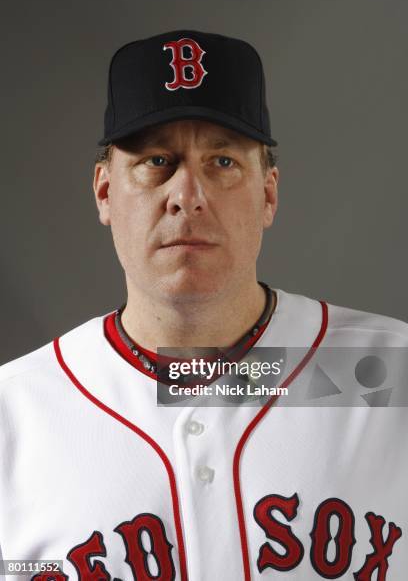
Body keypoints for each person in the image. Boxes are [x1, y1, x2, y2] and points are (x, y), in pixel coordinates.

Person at [0, 29, 407, 581]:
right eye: (157, 160)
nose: (187, 194)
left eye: (222, 162)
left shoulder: (389, 376)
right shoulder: (16, 417)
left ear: (268, 194)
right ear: (104, 192)